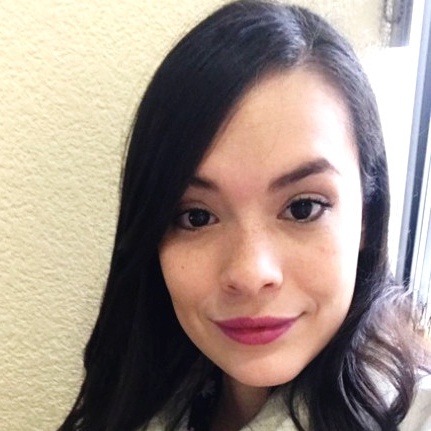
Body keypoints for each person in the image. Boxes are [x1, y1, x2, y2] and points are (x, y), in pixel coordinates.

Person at [58, 1, 431, 430]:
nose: (251, 273)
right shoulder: (143, 395)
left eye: (303, 208)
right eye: (196, 217)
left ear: (366, 214)